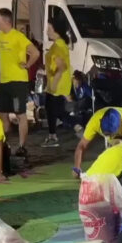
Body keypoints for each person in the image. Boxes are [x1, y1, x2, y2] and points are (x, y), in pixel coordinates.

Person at [0, 7, 40, 155]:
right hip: (4, 82)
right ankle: (4, 144)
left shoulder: (18, 37)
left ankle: (21, 146)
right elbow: (0, 59)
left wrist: (28, 65)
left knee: (20, 114)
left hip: (18, 81)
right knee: (2, 114)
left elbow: (35, 52)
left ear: (6, 21)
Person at [73, 106, 122, 175]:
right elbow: (82, 145)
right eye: (106, 134)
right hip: (117, 135)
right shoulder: (95, 121)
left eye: (110, 134)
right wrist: (77, 168)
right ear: (100, 121)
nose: (109, 137)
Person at [42, 15, 73, 147]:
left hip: (56, 86)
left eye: (49, 28)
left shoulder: (58, 46)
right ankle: (53, 136)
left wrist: (54, 82)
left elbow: (62, 67)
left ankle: (76, 126)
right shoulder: (60, 44)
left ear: (57, 30)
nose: (47, 31)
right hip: (56, 85)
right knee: (54, 111)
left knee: (55, 111)